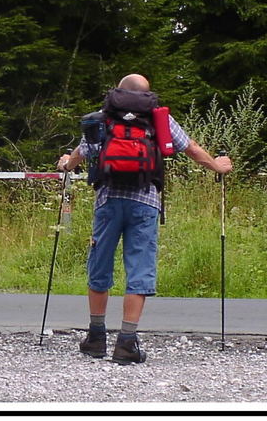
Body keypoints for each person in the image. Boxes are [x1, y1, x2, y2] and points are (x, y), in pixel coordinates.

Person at [58, 73, 232, 364]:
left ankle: (96, 337)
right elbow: (191, 148)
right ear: (147, 94)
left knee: (99, 263)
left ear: (118, 91)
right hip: (145, 202)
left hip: (108, 201)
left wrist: (66, 163)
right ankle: (127, 342)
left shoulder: (103, 118)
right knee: (139, 268)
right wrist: (218, 166)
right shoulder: (158, 119)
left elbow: (81, 153)